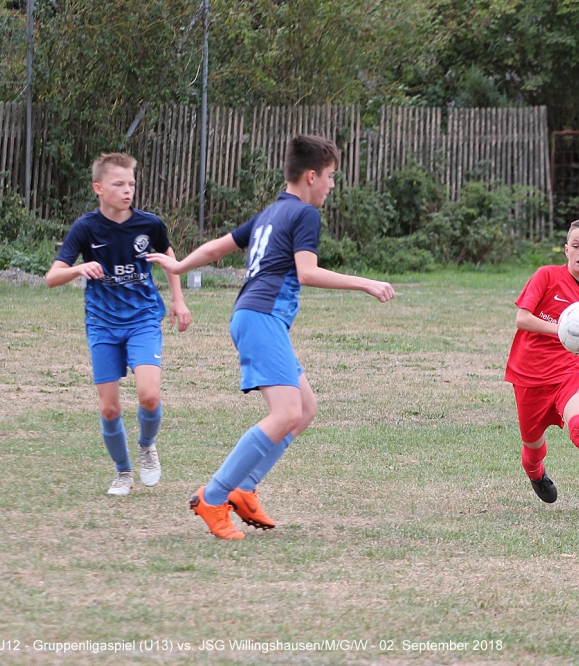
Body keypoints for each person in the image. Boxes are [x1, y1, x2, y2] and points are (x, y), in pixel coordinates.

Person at [147, 134, 395, 540]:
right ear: (311, 176)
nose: (332, 184)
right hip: (261, 317)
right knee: (286, 414)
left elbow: (216, 248)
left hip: (255, 317)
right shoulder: (304, 214)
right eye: (331, 176)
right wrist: (365, 282)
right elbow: (306, 273)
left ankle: (244, 488)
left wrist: (179, 266)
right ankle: (214, 496)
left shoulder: (270, 212)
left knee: (305, 409)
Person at [46, 153, 191, 496]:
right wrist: (78, 268)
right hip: (102, 323)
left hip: (143, 319)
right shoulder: (86, 228)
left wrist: (178, 299)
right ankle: (123, 472)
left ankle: (147, 446)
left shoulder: (149, 224)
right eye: (119, 184)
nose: (128, 190)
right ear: (98, 188)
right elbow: (52, 277)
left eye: (132, 184)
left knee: (149, 396)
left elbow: (169, 258)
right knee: (109, 408)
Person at [505, 218, 579, 519]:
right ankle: (535, 472)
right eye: (576, 246)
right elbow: (522, 319)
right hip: (530, 374)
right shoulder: (546, 276)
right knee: (532, 445)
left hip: (570, 371)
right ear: (566, 249)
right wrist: (561, 329)